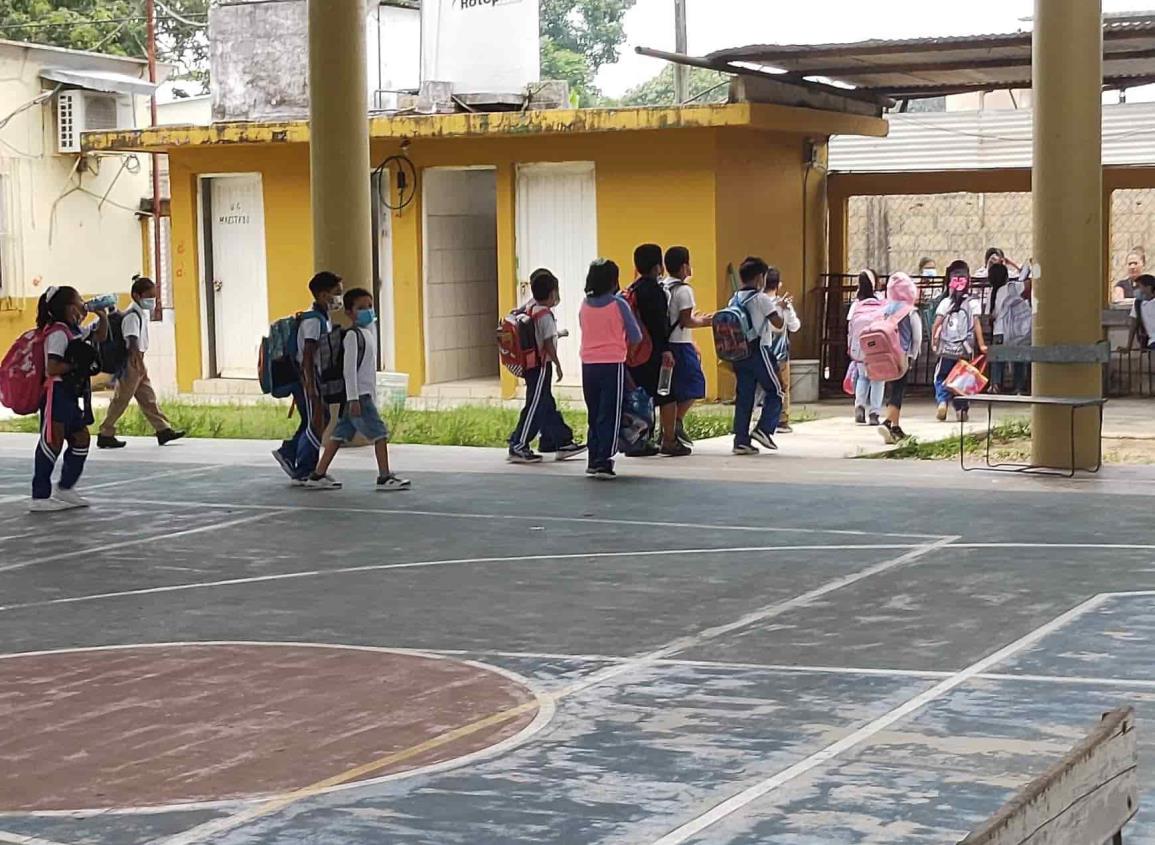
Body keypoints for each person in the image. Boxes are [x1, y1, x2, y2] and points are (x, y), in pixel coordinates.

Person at [305, 288, 410, 492]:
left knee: (339, 435)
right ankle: (384, 476)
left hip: (361, 395)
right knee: (380, 434)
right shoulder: (352, 336)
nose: (367, 311)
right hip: (358, 397)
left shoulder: (368, 333)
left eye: (369, 306)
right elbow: (349, 371)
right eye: (361, 308)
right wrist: (353, 399)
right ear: (349, 312)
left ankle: (318, 474)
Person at [30, 286, 109, 512]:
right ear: (68, 307)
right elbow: (52, 367)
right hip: (57, 393)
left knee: (81, 438)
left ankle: (65, 488)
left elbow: (100, 336)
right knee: (52, 441)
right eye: (79, 301)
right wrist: (76, 364)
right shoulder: (57, 332)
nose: (83, 305)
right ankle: (39, 496)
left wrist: (102, 316)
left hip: (71, 394)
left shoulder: (73, 330)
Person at [507, 268, 586, 464]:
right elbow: (548, 343)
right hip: (541, 365)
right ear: (552, 293)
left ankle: (561, 440)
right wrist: (558, 364)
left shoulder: (530, 308)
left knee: (545, 403)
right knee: (535, 404)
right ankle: (519, 444)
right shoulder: (546, 315)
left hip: (530, 364)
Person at [96, 275, 185, 450]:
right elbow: (131, 340)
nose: (152, 300)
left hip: (137, 361)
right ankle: (105, 432)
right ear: (137, 295)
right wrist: (138, 363)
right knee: (121, 399)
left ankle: (163, 429)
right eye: (149, 296)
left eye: (154, 296)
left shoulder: (139, 313)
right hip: (133, 361)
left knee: (147, 398)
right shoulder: (132, 316)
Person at [273, 271, 343, 485]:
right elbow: (308, 355)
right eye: (336, 293)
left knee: (318, 419)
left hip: (312, 378)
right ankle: (305, 470)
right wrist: (311, 386)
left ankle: (289, 452)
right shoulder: (313, 322)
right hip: (307, 379)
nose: (339, 297)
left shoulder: (322, 318)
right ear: (322, 295)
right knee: (316, 421)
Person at [580, 258, 642, 480]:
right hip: (612, 364)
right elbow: (636, 335)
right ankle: (604, 461)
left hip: (587, 364)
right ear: (613, 280)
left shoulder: (584, 304)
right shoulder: (619, 304)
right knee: (611, 413)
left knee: (594, 412)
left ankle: (593, 457)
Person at [729, 257, 786, 456]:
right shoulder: (761, 299)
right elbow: (777, 323)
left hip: (740, 353)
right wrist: (780, 308)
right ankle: (764, 429)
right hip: (759, 350)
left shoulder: (734, 298)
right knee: (777, 390)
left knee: (744, 397)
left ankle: (741, 440)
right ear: (759, 278)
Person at [663, 246, 712, 453]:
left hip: (667, 343)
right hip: (680, 345)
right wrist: (706, 321)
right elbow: (686, 321)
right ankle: (676, 422)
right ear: (684, 266)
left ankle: (669, 428)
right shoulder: (684, 290)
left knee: (670, 390)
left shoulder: (663, 286)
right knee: (695, 383)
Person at [625, 244, 671, 457]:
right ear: (658, 267)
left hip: (634, 352)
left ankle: (636, 438)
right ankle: (652, 439)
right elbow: (659, 325)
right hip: (652, 351)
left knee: (638, 395)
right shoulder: (655, 291)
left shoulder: (631, 290)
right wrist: (665, 351)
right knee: (658, 394)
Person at [932, 260, 987, 422]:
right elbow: (977, 324)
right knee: (962, 379)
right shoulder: (973, 302)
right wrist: (982, 345)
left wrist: (935, 342)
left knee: (941, 376)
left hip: (947, 348)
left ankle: (942, 401)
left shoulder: (945, 302)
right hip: (965, 349)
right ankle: (961, 410)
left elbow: (937, 324)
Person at [878, 272, 923, 444]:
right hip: (902, 355)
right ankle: (888, 422)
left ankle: (895, 426)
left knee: (892, 388)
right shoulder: (910, 312)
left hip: (886, 355)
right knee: (899, 389)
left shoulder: (886, 309)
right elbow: (917, 336)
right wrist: (913, 355)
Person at [847, 271, 885, 426]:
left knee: (863, 377)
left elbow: (850, 326)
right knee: (878, 379)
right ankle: (874, 412)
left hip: (860, 347)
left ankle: (859, 406)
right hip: (877, 347)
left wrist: (850, 346)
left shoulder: (856, 305)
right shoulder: (881, 302)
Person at [989, 263, 1032, 395]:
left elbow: (991, 315)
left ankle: (995, 384)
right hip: (1014, 331)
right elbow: (1029, 284)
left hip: (998, 331)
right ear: (1006, 276)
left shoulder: (993, 292)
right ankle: (1018, 386)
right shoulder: (1010, 287)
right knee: (1018, 358)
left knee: (998, 359)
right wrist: (1027, 270)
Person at [767, 274, 801, 433]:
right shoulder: (783, 304)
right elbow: (795, 326)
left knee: (760, 387)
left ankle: (756, 418)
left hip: (760, 353)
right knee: (783, 387)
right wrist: (786, 309)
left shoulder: (756, 302)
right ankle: (782, 420)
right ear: (778, 285)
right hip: (780, 353)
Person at [1125, 274, 1155, 350]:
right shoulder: (1138, 305)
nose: (1136, 290)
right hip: (1152, 342)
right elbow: (1133, 326)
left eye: (1139, 286)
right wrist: (1128, 346)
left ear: (1148, 288)